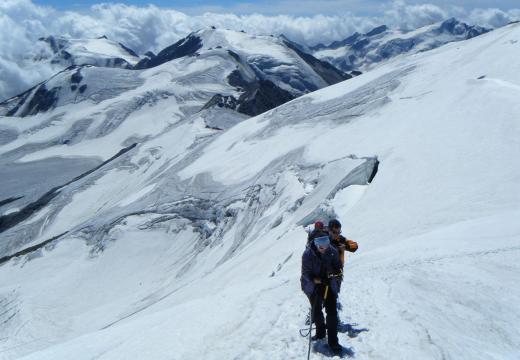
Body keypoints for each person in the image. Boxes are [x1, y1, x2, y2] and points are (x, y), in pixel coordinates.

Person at [301, 232, 344, 354]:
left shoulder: (332, 251)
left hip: (329, 285)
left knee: (332, 312)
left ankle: (333, 341)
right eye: (320, 243)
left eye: (326, 242)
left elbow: (338, 267)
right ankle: (320, 333)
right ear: (315, 243)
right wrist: (318, 280)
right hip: (313, 286)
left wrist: (335, 274)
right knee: (316, 310)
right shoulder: (307, 255)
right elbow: (306, 275)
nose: (323, 247)